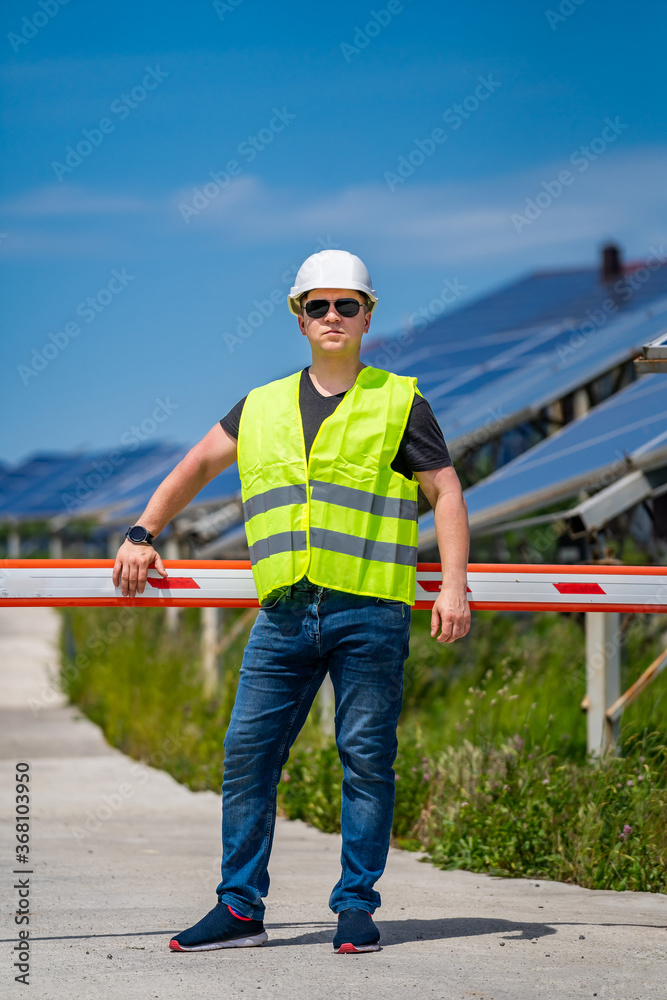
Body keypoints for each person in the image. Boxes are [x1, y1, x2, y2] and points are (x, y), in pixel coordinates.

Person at [112, 249, 470, 954]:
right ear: (298, 318)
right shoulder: (262, 404)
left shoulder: (400, 401)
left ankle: (355, 909)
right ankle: (239, 907)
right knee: (246, 754)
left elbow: (446, 493)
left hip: (369, 610)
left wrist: (454, 585)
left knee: (365, 757)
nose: (332, 317)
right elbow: (194, 466)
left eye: (347, 305)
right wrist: (142, 529)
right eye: (318, 306)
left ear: (368, 314)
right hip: (282, 614)